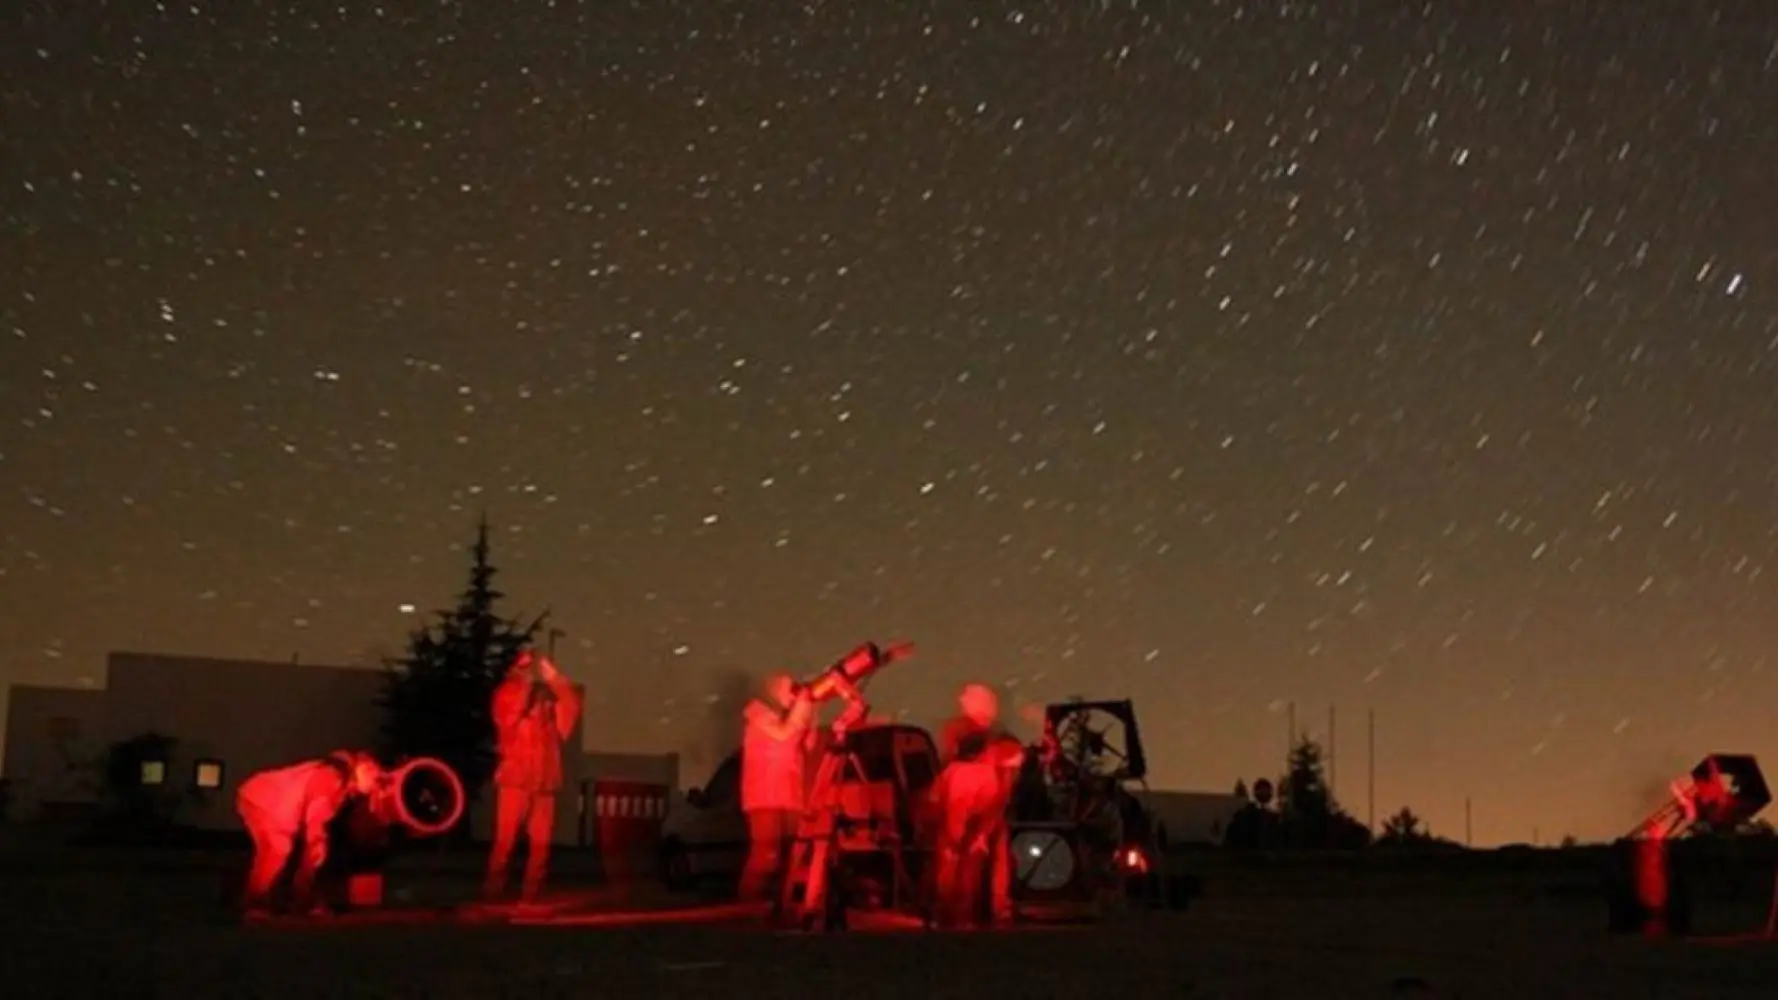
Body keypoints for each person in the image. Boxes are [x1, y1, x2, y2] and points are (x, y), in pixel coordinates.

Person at [235, 749, 384, 919]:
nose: (375, 781)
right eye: (373, 774)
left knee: (285, 849)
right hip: (264, 800)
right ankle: (258, 903)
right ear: (362, 768)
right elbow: (317, 813)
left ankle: (291, 899)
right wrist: (316, 840)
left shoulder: (339, 781)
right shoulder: (332, 778)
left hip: (262, 797)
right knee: (279, 848)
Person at [484, 650, 583, 904]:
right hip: (516, 781)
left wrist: (554, 677)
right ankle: (493, 894)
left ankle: (531, 895)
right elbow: (510, 714)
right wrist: (526, 681)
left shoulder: (549, 711)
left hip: (544, 783)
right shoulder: (506, 694)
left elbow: (571, 705)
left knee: (541, 846)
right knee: (505, 842)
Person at [932, 683, 1023, 927]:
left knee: (966, 854)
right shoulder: (976, 737)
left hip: (977, 800)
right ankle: (969, 912)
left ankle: (970, 912)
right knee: (963, 855)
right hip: (978, 799)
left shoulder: (974, 740)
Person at [738, 671, 816, 902]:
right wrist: (804, 704)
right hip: (765, 798)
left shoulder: (789, 716)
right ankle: (748, 905)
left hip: (788, 796)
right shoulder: (757, 713)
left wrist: (812, 709)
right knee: (765, 856)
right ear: (773, 691)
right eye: (790, 689)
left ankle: (779, 906)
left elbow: (808, 744)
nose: (794, 694)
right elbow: (785, 734)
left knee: (791, 857)